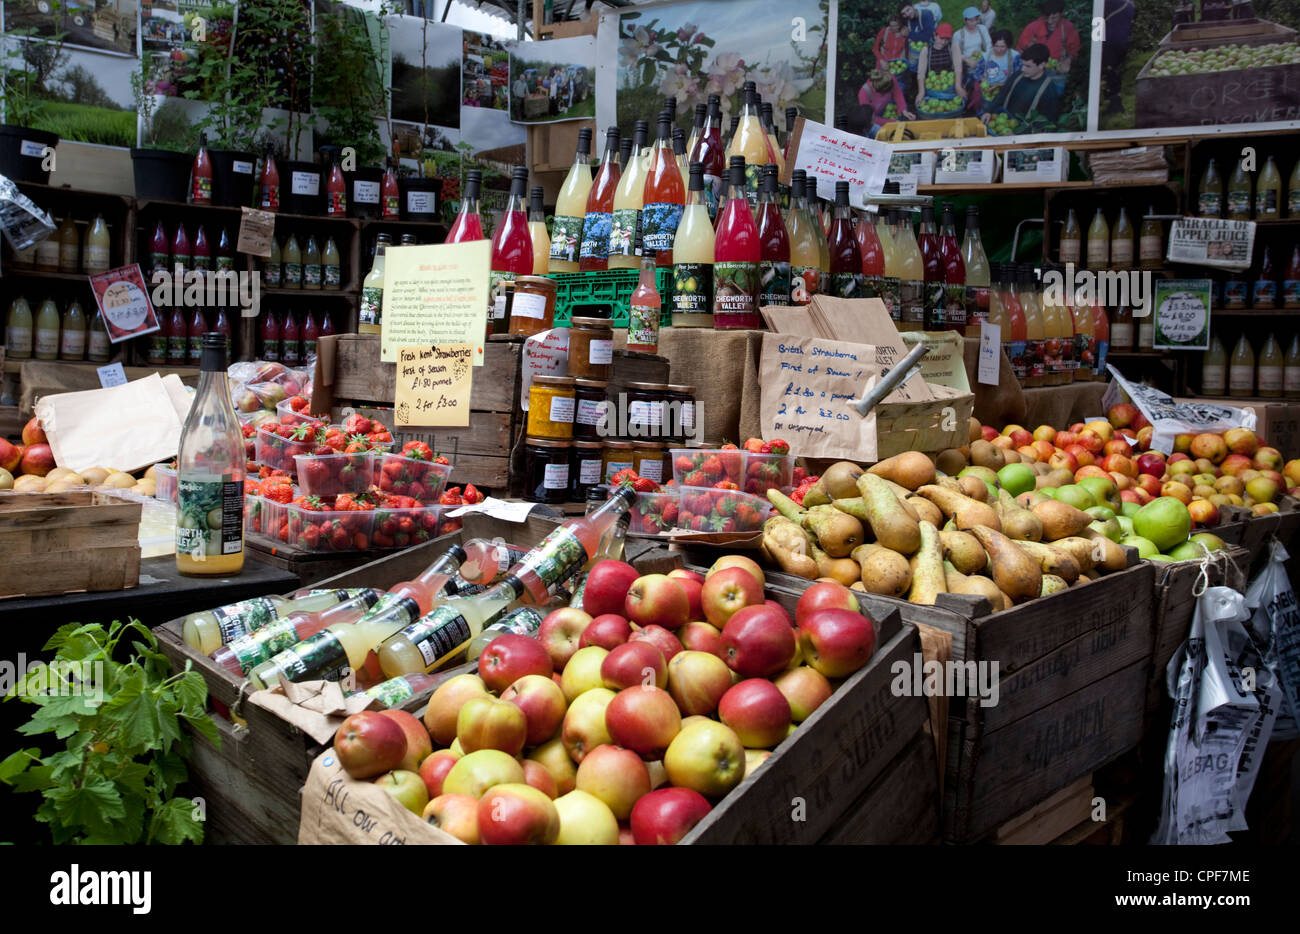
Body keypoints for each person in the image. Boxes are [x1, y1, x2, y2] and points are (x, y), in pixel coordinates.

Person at [981, 43, 1061, 125]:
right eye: (1022, 64)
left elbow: (1047, 120)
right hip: (1004, 122)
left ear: (1042, 65)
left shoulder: (1048, 89)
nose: (1023, 69)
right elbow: (1002, 94)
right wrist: (989, 111)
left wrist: (1023, 132)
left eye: (1028, 66)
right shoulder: (1018, 76)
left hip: (1024, 131)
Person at [1017, 0, 1081, 73]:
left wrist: (1068, 61)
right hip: (1034, 71)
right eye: (1047, 17)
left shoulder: (1068, 28)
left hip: (1056, 71)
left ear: (1062, 13)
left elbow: (1074, 50)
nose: (1050, 21)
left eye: (1054, 18)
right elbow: (1020, 50)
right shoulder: (1033, 28)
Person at [1101, 0, 1135, 115]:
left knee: (1110, 69)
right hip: (1121, 39)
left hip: (1111, 40)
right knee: (1114, 69)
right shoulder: (1128, 3)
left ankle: (1115, 103)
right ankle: (1114, 100)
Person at [899, 3, 937, 102]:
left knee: (928, 68)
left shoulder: (926, 15)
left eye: (908, 10)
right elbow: (905, 32)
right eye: (903, 13)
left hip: (927, 47)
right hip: (915, 50)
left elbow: (927, 36)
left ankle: (929, 91)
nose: (907, 14)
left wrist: (910, 34)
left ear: (912, 6)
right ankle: (916, 90)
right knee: (913, 70)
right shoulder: (905, 20)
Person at [916, 24, 962, 107]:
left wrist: (958, 86)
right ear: (935, 35)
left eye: (947, 39)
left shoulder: (953, 47)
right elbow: (921, 73)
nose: (944, 42)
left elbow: (958, 68)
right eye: (941, 38)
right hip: (932, 87)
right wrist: (921, 92)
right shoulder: (926, 50)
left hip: (949, 87)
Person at [859, 69, 916, 136]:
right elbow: (869, 119)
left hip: (885, 109)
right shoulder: (864, 94)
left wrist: (904, 110)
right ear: (876, 90)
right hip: (873, 118)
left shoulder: (889, 78)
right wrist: (893, 122)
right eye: (883, 94)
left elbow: (897, 93)